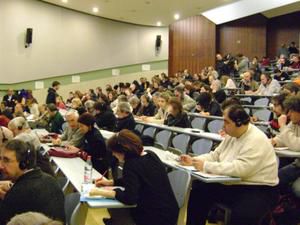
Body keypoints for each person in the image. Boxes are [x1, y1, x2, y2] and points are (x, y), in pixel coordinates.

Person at [181, 104, 279, 225]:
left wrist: (206, 166)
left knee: (243, 214)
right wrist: (194, 161)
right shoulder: (232, 135)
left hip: (259, 188)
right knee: (199, 190)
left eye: (226, 122)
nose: (223, 126)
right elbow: (215, 155)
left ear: (238, 123)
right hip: (236, 183)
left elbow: (240, 169)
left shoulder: (256, 139)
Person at [90, 129, 179, 225]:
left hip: (154, 217)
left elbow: (130, 199)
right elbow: (137, 179)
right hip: (170, 212)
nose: (113, 155)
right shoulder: (150, 154)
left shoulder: (131, 165)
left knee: (116, 207)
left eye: (114, 152)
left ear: (122, 150)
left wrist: (109, 192)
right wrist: (111, 182)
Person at [0, 139, 65, 224]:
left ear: (23, 164)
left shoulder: (17, 193)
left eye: (6, 160)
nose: (1, 165)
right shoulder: (50, 180)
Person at [271, 96, 300, 197]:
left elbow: (296, 145)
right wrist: (274, 141)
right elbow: (284, 138)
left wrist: (282, 126)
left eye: (291, 111)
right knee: (276, 178)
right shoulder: (294, 123)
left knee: (297, 189)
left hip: (297, 164)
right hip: (298, 164)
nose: (288, 114)